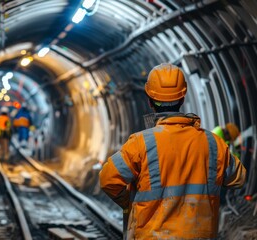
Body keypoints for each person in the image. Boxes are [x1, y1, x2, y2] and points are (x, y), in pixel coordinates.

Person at [99, 63, 246, 239]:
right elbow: (239, 178)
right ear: (182, 99)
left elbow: (107, 179)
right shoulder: (213, 143)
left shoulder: (140, 143)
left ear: (149, 101)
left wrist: (130, 203)